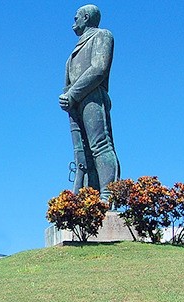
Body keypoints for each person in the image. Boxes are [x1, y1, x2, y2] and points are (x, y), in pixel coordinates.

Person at [59, 4, 120, 201]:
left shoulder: (102, 35)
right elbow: (67, 85)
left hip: (92, 97)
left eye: (76, 17)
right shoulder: (71, 56)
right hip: (75, 104)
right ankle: (87, 196)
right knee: (82, 153)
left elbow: (99, 69)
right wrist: (67, 98)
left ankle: (108, 195)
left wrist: (73, 94)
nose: (73, 23)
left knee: (100, 144)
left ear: (86, 17)